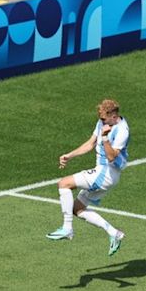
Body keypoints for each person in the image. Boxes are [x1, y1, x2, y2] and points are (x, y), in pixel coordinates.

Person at [47, 99, 129, 256]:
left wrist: (105, 138)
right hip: (103, 173)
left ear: (113, 115)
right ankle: (114, 233)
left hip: (106, 174)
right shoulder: (103, 123)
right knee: (76, 208)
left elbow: (112, 157)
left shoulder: (122, 130)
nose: (101, 121)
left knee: (64, 183)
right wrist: (69, 156)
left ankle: (67, 228)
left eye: (104, 118)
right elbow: (91, 144)